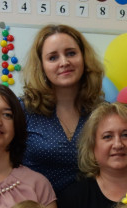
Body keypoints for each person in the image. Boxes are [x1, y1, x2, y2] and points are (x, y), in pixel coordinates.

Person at [22, 24, 104, 195]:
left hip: (87, 207)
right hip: (35, 207)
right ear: (41, 66)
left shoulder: (102, 113)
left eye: (71, 53)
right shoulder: (23, 110)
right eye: (53, 58)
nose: (64, 62)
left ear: (84, 58)